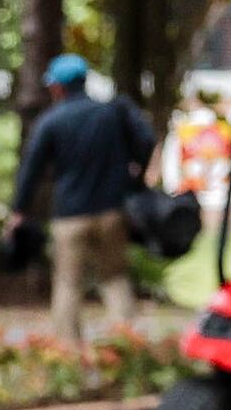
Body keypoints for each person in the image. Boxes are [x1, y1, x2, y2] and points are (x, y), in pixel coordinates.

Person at [12, 55, 157, 340]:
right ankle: (126, 347)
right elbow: (147, 139)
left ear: (57, 88)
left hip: (70, 215)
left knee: (67, 284)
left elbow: (31, 168)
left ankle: (68, 353)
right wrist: (134, 174)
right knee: (115, 279)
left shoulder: (51, 121)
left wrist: (19, 209)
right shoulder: (111, 113)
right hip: (111, 211)